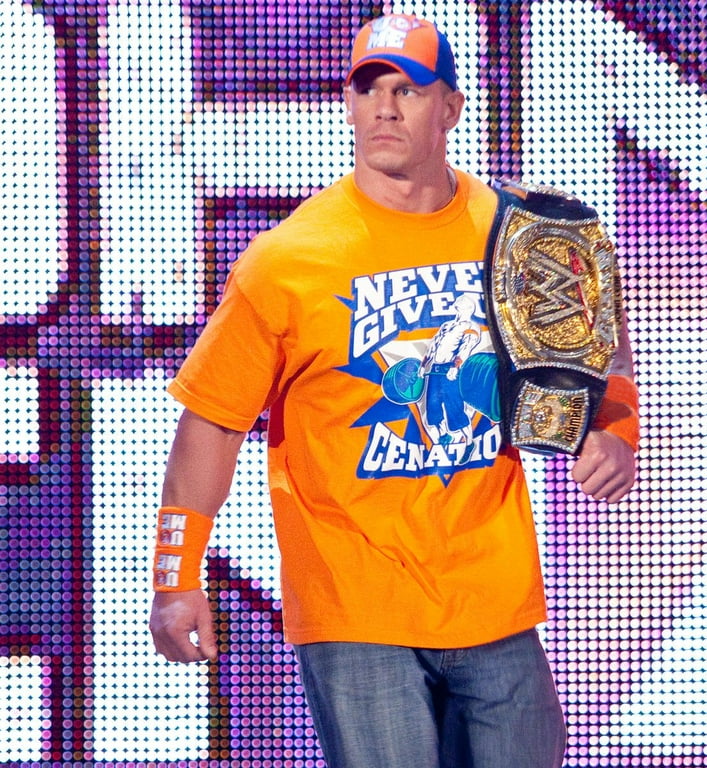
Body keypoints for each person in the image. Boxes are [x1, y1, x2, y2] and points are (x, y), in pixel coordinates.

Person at [149, 13, 639, 768]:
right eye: (368, 88)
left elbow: (600, 344)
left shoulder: (520, 231)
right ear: (348, 104)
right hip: (356, 605)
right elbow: (211, 423)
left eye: (407, 90)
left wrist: (616, 430)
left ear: (451, 108)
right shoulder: (288, 260)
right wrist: (177, 578)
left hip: (492, 596)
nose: (384, 107)